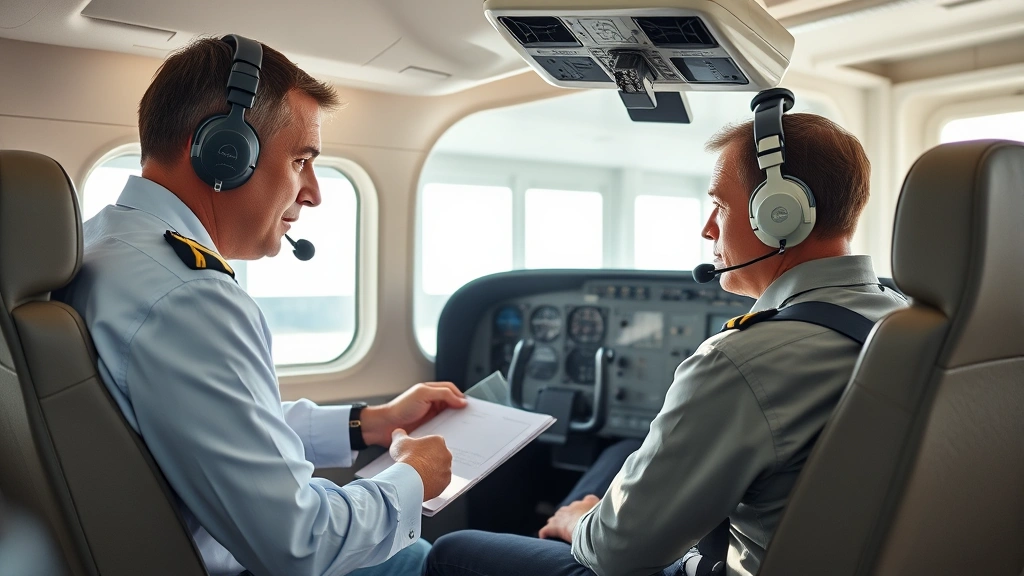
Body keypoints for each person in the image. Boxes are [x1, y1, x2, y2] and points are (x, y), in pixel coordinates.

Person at [425, 108, 909, 576]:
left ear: (780, 214)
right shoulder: (902, 319)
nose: (707, 228)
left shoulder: (740, 361)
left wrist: (579, 522)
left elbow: (617, 555)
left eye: (720, 205)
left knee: (452, 552)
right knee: (619, 453)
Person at [59, 36, 464, 576]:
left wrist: (368, 423)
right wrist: (412, 478)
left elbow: (218, 422)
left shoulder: (107, 244)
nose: (313, 192)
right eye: (300, 160)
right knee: (421, 559)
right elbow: (301, 545)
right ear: (223, 153)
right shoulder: (190, 299)